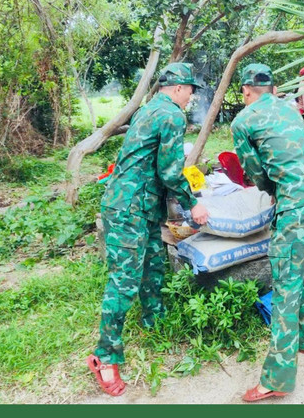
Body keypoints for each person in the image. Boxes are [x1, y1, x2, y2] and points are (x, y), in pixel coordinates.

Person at [88, 63, 209, 396]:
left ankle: (153, 318)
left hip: (136, 205)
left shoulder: (148, 109)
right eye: (190, 92)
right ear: (180, 88)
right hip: (129, 209)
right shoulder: (171, 115)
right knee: (124, 281)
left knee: (154, 262)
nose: (191, 98)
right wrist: (193, 202)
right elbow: (170, 173)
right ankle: (105, 356)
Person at [231, 65, 304, 402]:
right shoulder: (290, 109)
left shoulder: (243, 121)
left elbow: (256, 172)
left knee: (286, 290)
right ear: (272, 89)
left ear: (246, 91)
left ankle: (275, 379)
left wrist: (273, 189)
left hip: (297, 210)